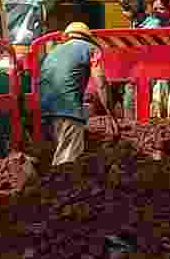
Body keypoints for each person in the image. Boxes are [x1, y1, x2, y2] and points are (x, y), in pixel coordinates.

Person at [38, 22, 118, 166]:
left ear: (67, 36)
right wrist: (111, 115)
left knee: (59, 157)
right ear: (88, 38)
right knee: (67, 165)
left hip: (45, 113)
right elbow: (100, 82)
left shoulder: (53, 52)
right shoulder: (91, 49)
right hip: (68, 112)